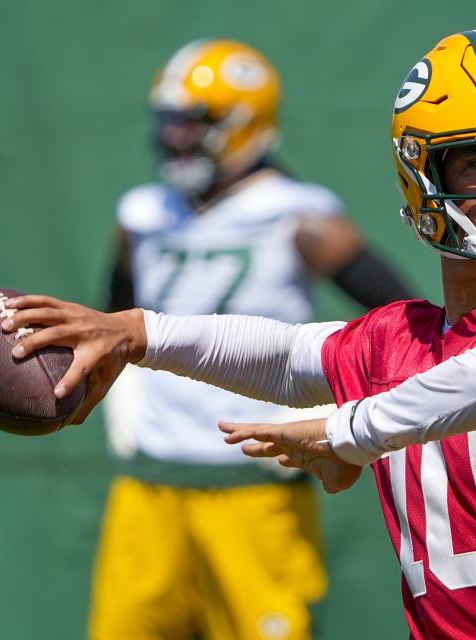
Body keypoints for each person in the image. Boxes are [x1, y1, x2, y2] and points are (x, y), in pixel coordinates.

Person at [3, 29, 476, 639]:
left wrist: (343, 432)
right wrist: (136, 332)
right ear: (424, 176)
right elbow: (285, 353)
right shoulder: (397, 340)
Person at [90, 39, 413, 640]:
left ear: (244, 126)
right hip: (150, 478)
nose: (174, 139)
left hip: (256, 482)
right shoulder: (142, 215)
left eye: (193, 125)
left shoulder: (298, 214)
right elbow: (109, 324)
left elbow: (400, 320)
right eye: (169, 123)